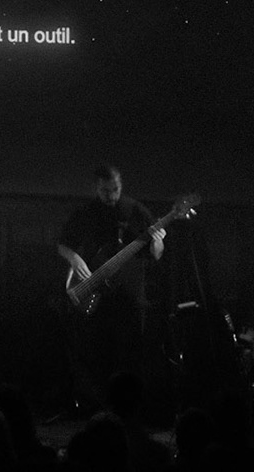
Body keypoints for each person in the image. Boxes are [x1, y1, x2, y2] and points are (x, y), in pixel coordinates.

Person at [56, 164, 164, 413]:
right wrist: (75, 259)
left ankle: (129, 407)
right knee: (96, 351)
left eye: (115, 189)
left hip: (129, 293)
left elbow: (156, 254)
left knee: (130, 351)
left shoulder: (134, 209)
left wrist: (158, 243)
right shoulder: (85, 213)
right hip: (96, 292)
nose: (111, 195)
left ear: (121, 185)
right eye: (105, 191)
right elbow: (63, 245)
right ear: (96, 188)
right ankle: (97, 406)